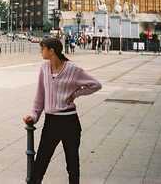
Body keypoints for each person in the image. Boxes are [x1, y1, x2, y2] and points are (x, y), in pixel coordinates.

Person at [23, 37, 102, 184]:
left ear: (51, 51)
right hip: (51, 122)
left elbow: (96, 84)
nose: (41, 51)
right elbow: (40, 96)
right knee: (40, 161)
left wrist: (76, 94)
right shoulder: (44, 68)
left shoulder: (73, 69)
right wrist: (34, 116)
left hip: (69, 121)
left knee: (72, 163)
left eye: (42, 48)